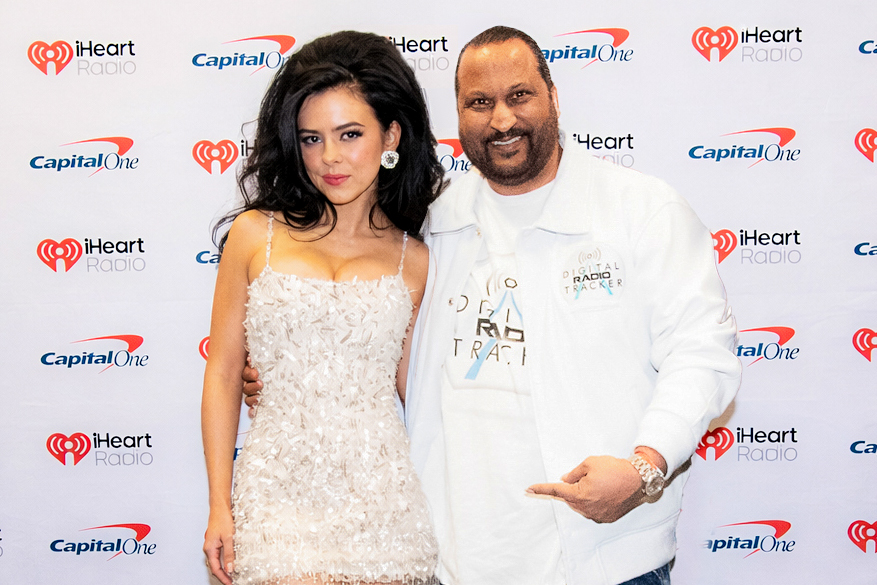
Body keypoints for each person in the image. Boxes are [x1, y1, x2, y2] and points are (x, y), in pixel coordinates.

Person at [245, 26, 741, 585]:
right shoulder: (429, 225)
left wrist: (644, 467)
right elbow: (374, 345)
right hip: (457, 561)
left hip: (604, 556)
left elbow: (702, 356)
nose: (501, 119)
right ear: (458, 116)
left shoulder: (641, 210)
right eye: (479, 103)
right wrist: (296, 372)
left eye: (519, 95)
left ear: (554, 97)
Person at [202, 31, 444, 585]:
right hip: (272, 502)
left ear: (391, 135)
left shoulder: (416, 260)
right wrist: (219, 504)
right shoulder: (254, 235)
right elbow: (222, 374)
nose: (329, 157)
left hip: (385, 508)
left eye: (350, 134)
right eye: (312, 138)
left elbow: (424, 396)